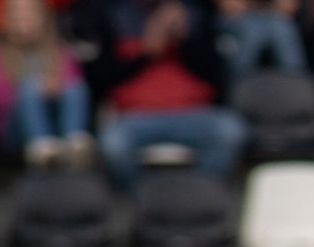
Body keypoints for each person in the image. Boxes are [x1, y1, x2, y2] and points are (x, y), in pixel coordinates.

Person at [91, 0, 247, 189]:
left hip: (194, 113)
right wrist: (147, 51)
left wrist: (185, 39)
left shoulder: (196, 15)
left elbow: (217, 78)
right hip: (136, 116)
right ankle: (139, 201)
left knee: (230, 130)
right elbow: (103, 81)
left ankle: (200, 194)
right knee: (113, 144)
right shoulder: (114, 16)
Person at [0, 0, 94, 166]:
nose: (25, 18)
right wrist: (37, 88)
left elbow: (73, 86)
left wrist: (55, 88)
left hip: (57, 118)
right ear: (6, 19)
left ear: (44, 18)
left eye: (31, 13)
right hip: (13, 128)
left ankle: (74, 143)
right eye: (18, 13)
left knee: (75, 88)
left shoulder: (61, 51)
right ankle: (42, 147)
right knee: (29, 89)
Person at [216, 0, 306, 81]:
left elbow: (288, 8)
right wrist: (254, 5)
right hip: (237, 19)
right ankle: (237, 84)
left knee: (282, 28)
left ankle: (295, 82)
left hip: (273, 18)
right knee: (251, 31)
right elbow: (229, 7)